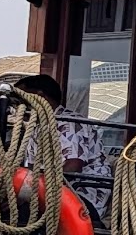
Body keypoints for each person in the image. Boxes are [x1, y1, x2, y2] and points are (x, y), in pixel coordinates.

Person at [13, 73, 112, 222]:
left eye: (21, 100)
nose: (18, 107)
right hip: (52, 192)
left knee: (23, 213)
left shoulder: (67, 122)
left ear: (40, 97)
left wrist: (29, 194)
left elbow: (73, 167)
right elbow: (32, 170)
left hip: (83, 195)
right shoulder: (36, 127)